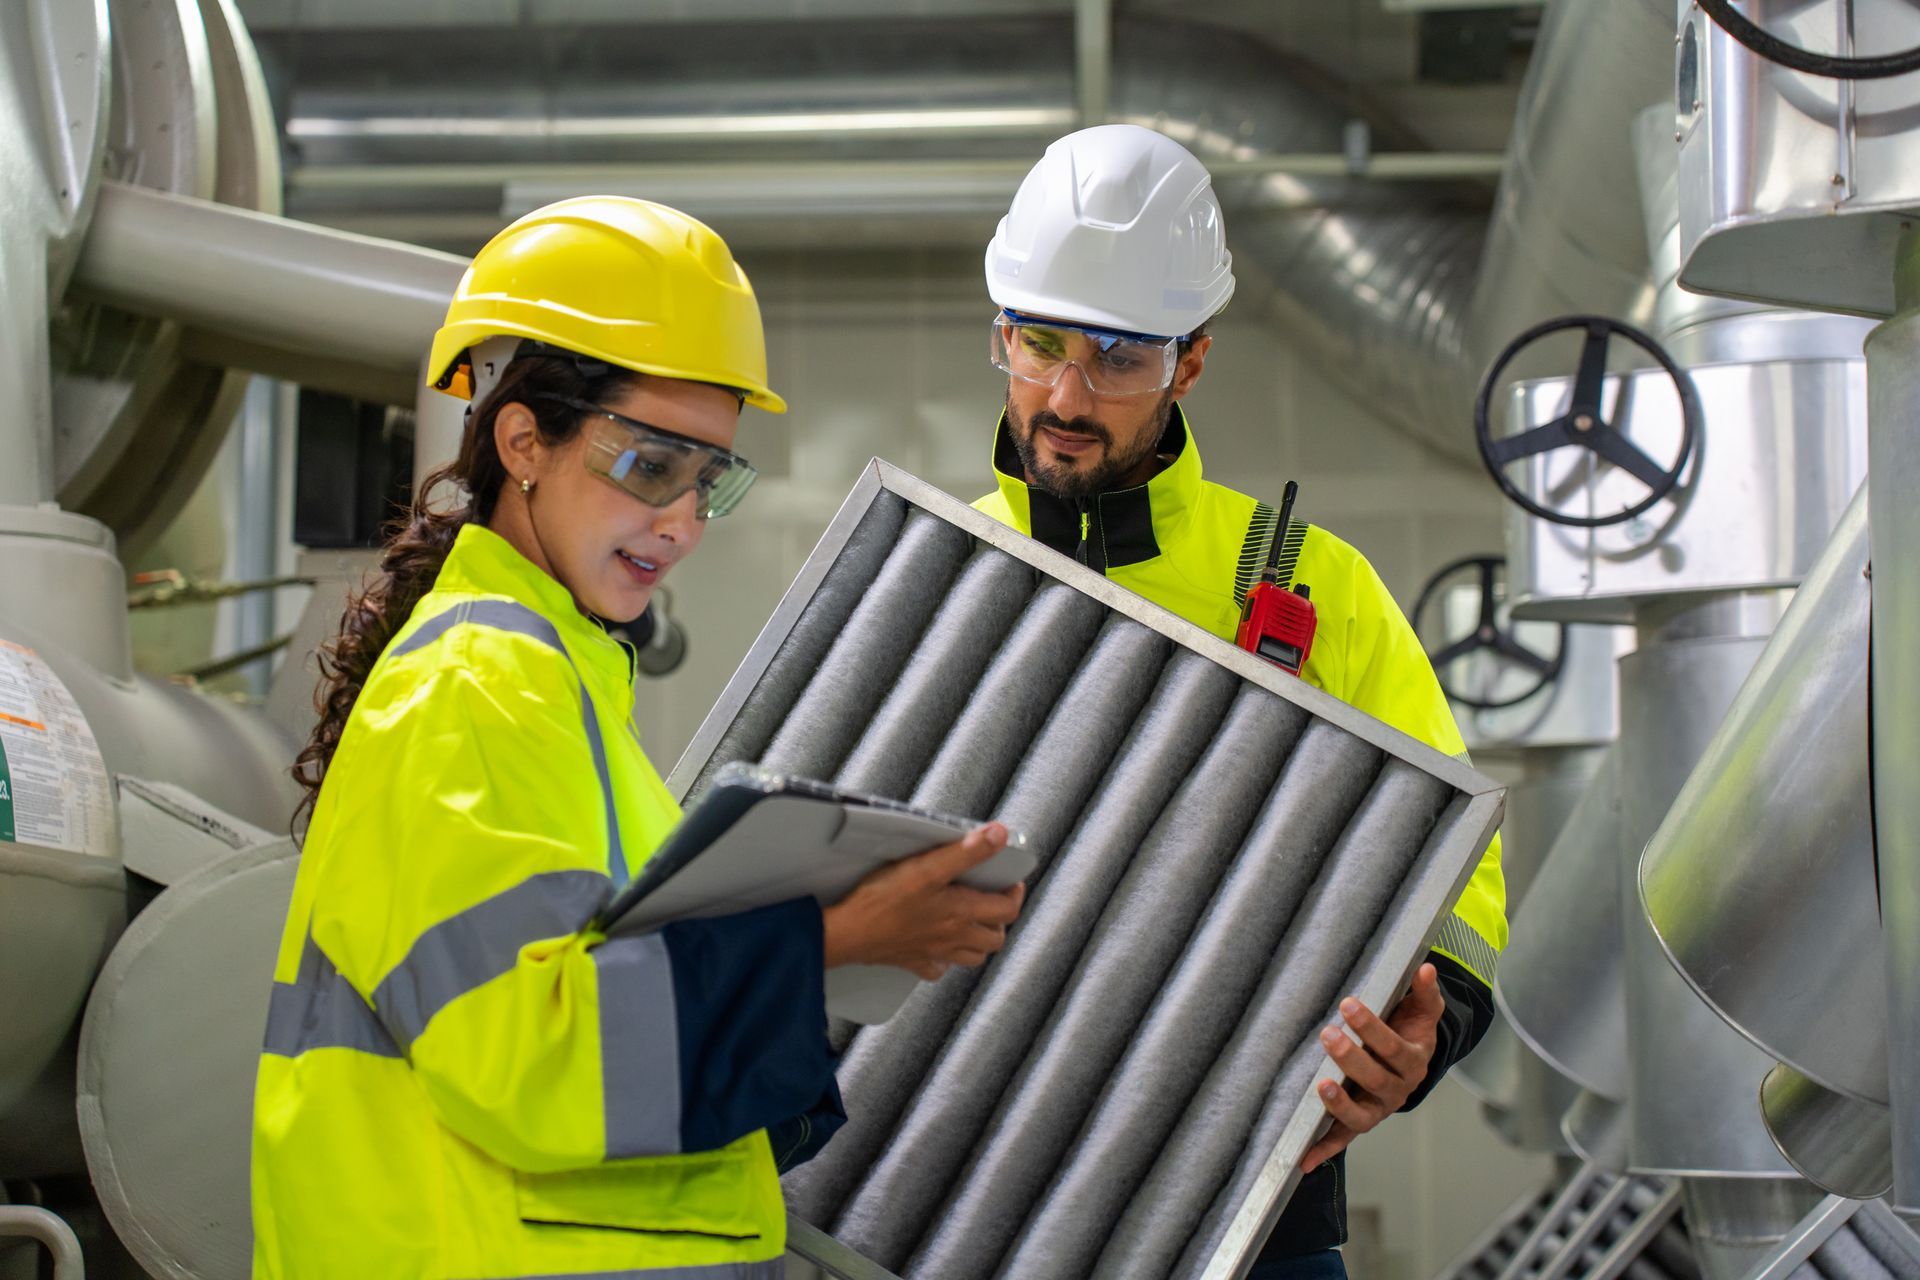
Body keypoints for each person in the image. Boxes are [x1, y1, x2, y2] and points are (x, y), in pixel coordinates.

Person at [253, 196, 1024, 1280]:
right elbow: (532, 1050)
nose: (683, 520)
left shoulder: (552, 689)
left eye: (710, 478)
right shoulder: (475, 685)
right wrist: (830, 940)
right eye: (649, 465)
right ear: (523, 440)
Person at [974, 125, 1507, 1280]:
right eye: (1042, 343)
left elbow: (1459, 866)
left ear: (1190, 362)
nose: (1067, 393)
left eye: (1118, 356)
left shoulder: (1312, 584)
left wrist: (1439, 1012)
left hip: (1255, 1212)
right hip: (969, 1194)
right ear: (1003, 332)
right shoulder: (934, 570)